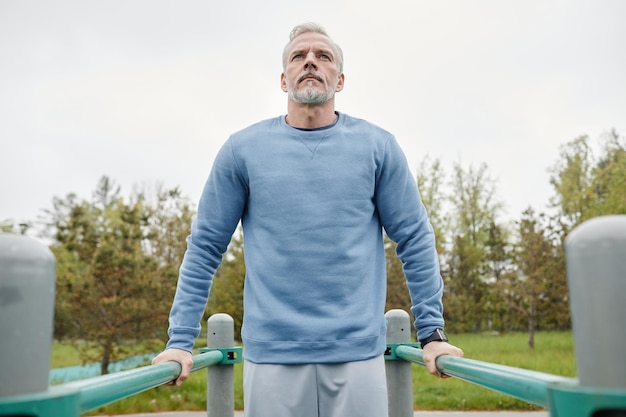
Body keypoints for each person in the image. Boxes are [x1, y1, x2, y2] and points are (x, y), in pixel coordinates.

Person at [152, 22, 464, 417]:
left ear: (341, 78)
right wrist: (180, 340)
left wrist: (432, 333)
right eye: (299, 56)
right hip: (271, 358)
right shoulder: (241, 150)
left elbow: (416, 239)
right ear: (284, 79)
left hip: (358, 355)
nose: (310, 62)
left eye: (323, 56)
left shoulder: (377, 146)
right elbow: (204, 248)